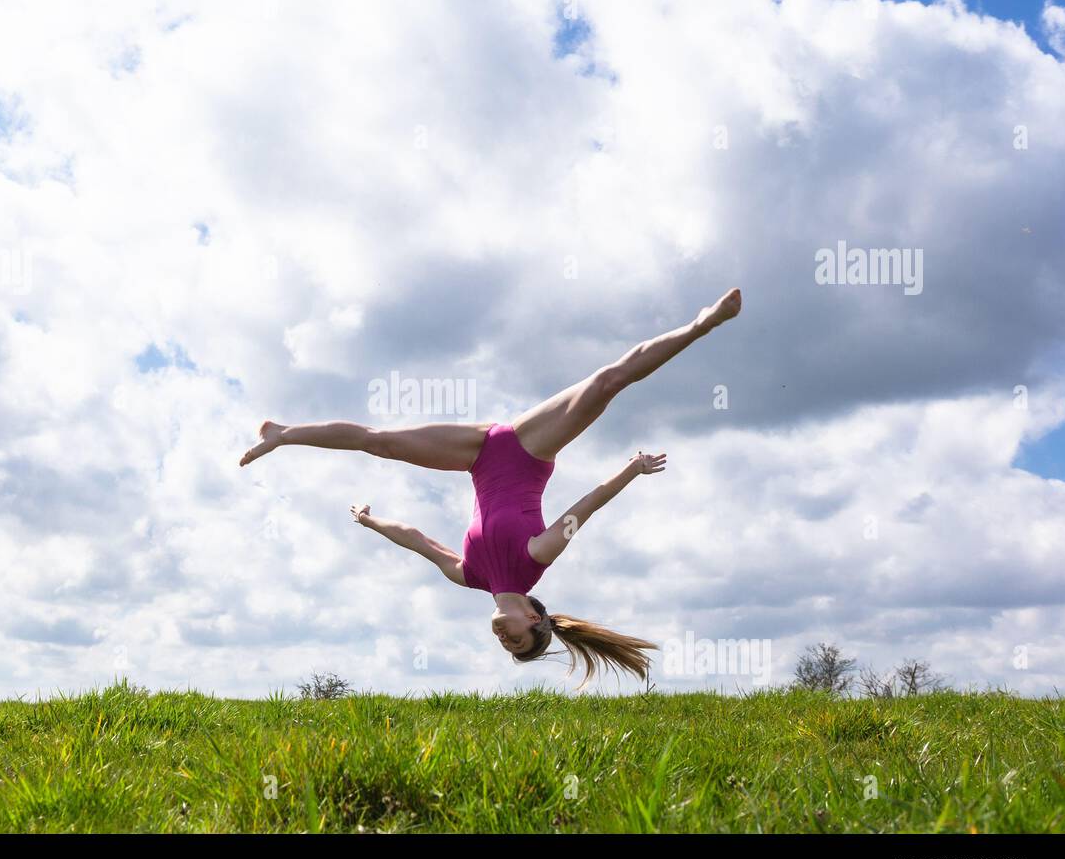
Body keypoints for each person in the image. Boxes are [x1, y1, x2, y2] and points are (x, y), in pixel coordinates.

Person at [240, 288, 742, 685]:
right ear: (535, 619)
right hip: (527, 447)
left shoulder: (470, 576)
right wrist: (630, 472)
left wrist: (370, 521)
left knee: (380, 443)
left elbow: (415, 538)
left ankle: (282, 434)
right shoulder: (535, 561)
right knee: (608, 382)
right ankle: (702, 325)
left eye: (507, 648)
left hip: (476, 455)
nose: (507, 641)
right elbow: (583, 509)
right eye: (520, 642)